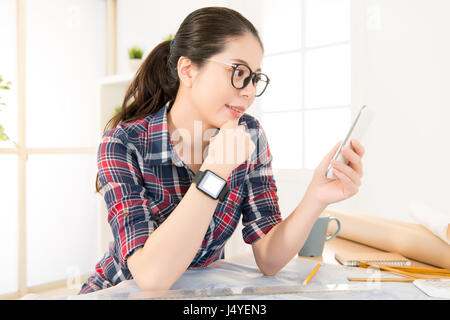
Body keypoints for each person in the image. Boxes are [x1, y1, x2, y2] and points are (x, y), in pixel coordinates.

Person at [79, 6, 365, 294]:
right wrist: (215, 170)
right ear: (188, 70)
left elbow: (269, 258)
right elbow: (152, 278)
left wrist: (315, 197)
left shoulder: (249, 134)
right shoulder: (123, 143)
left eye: (255, 78)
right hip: (118, 291)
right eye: (238, 72)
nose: (249, 92)